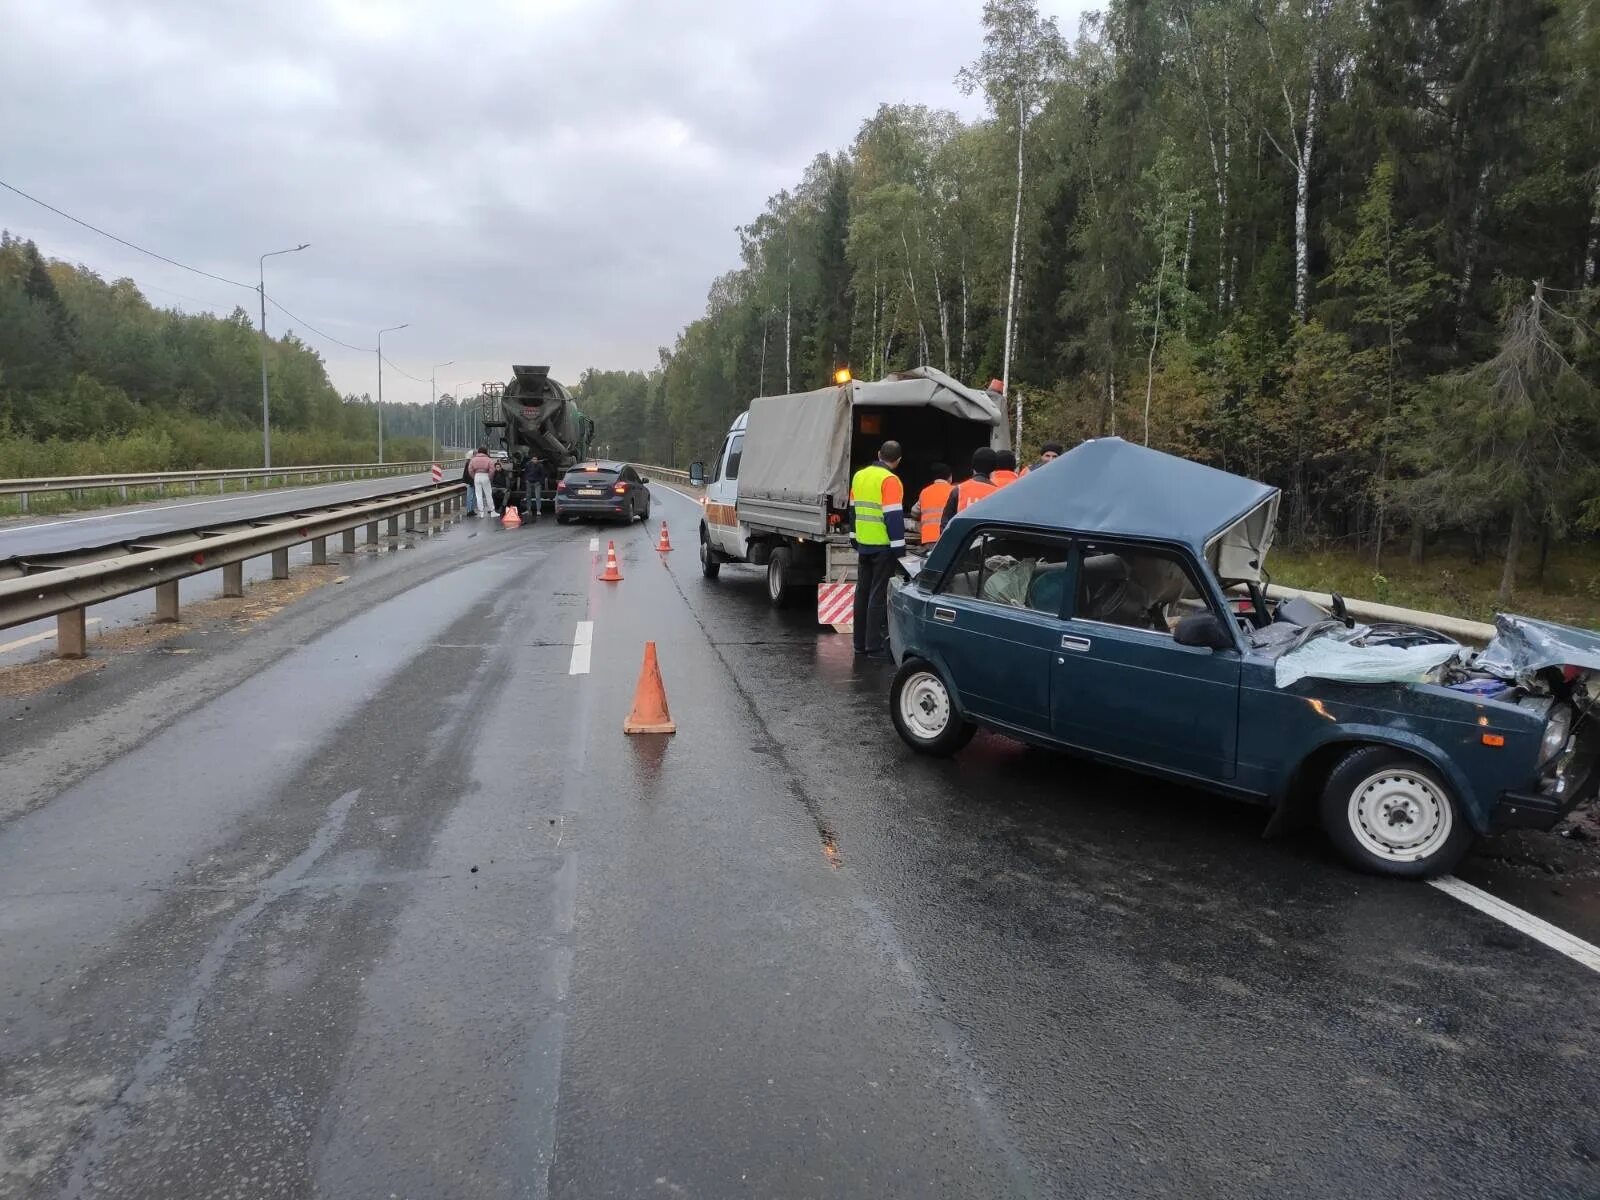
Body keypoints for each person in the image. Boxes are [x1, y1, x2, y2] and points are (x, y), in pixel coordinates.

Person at [849, 440, 905, 659]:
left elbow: (853, 512)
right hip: (882, 547)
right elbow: (893, 516)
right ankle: (874, 646)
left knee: (862, 593)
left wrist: (854, 538)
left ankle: (859, 644)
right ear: (898, 461)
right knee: (878, 595)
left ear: (878, 453)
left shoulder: (859, 476)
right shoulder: (890, 480)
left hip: (864, 544)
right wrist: (899, 549)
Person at [941, 447, 999, 529]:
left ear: (973, 466)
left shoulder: (959, 490)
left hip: (962, 540)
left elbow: (945, 524)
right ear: (994, 468)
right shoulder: (998, 494)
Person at [909, 462, 953, 549]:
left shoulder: (925, 492)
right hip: (949, 537)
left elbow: (914, 513)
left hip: (928, 539)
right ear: (950, 477)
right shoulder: (955, 491)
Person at [468, 446, 496, 519]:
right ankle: (492, 511)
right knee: (488, 494)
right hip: (485, 476)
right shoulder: (488, 459)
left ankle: (481, 513)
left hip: (477, 476)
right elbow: (492, 470)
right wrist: (489, 477)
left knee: (478, 495)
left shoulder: (473, 460)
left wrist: (474, 476)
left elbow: (470, 470)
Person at [522, 455, 547, 520]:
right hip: (529, 482)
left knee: (538, 497)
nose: (534, 460)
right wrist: (526, 480)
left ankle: (538, 510)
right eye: (533, 459)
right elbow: (525, 473)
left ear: (537, 460)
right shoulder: (528, 465)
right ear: (531, 460)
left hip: (537, 483)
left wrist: (540, 482)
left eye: (536, 459)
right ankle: (528, 510)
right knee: (528, 497)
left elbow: (543, 474)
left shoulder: (540, 466)